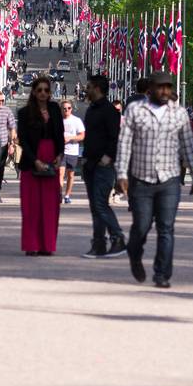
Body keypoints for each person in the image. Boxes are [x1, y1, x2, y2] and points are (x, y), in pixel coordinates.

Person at [116, 72, 193, 289]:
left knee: (166, 228)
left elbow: (188, 146)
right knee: (142, 226)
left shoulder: (179, 114)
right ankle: (134, 254)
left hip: (169, 179)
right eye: (160, 87)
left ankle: (162, 273)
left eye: (168, 87)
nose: (164, 91)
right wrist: (121, 175)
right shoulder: (136, 111)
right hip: (141, 179)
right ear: (150, 90)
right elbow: (125, 144)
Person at [16, 77, 65, 255]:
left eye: (46, 90)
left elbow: (60, 135)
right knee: (31, 207)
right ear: (34, 92)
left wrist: (60, 155)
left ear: (50, 93)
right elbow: (23, 140)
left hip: (52, 159)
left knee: (50, 207)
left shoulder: (54, 110)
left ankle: (47, 245)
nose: (43, 93)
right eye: (39, 90)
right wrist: (35, 160)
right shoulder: (24, 113)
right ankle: (32, 245)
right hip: (31, 161)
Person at [80, 74, 125, 259]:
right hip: (90, 163)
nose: (86, 89)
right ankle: (98, 243)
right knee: (95, 206)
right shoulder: (91, 109)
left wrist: (108, 157)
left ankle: (118, 237)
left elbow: (115, 137)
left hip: (103, 165)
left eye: (89, 86)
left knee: (100, 204)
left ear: (97, 88)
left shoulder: (109, 111)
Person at [0, 87, 16, 204]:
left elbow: (12, 128)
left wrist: (12, 144)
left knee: (0, 169)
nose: (0, 103)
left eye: (2, 101)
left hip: (3, 144)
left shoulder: (7, 111)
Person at [60, 98, 85, 204]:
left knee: (70, 175)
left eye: (68, 108)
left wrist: (70, 138)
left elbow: (82, 136)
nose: (66, 110)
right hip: (60, 152)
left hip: (73, 152)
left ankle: (67, 195)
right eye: (64, 108)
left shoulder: (76, 121)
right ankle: (59, 194)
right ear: (61, 109)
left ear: (71, 109)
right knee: (60, 174)